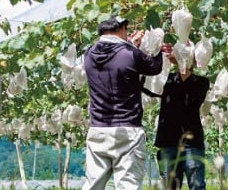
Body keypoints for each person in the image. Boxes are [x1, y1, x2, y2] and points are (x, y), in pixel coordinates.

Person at [82, 16, 171, 190]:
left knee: (93, 185)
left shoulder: (88, 54)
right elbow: (154, 67)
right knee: (127, 186)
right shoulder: (129, 53)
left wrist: (130, 44)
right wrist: (160, 52)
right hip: (127, 131)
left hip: (98, 130)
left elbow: (118, 58)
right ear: (122, 29)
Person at [153, 54, 210, 190]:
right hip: (167, 143)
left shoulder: (201, 82)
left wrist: (180, 63)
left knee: (197, 186)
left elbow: (190, 91)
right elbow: (148, 86)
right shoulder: (166, 80)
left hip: (192, 144)